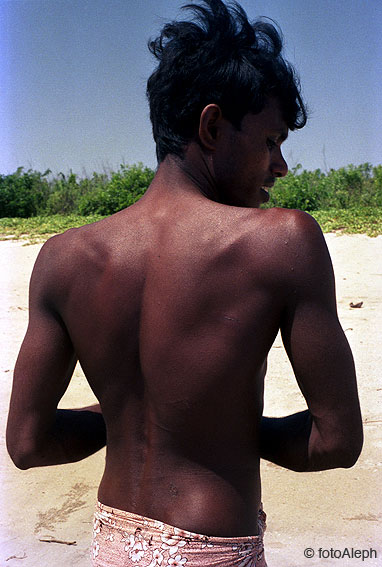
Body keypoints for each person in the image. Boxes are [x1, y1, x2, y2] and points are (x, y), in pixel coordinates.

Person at [7, 1, 363, 565]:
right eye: (271, 141)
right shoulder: (282, 242)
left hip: (111, 544)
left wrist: (123, 417)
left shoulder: (63, 257)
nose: (281, 166)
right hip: (214, 550)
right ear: (212, 125)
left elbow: (29, 444)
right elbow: (337, 442)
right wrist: (226, 428)